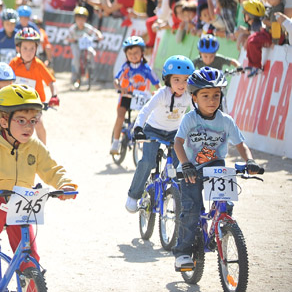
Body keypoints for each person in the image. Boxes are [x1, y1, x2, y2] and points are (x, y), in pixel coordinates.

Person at [0, 84, 77, 275]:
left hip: (19, 203)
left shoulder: (34, 146)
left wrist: (64, 184)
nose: (29, 127)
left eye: (33, 121)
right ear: (4, 120)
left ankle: (31, 283)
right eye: (22, 120)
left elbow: (51, 168)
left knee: (29, 254)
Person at [172, 67, 261, 272]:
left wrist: (250, 161)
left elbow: (241, 144)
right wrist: (185, 164)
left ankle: (219, 231)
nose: (212, 100)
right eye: (205, 95)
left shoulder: (226, 120)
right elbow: (178, 143)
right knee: (192, 210)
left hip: (215, 167)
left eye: (216, 95)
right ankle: (183, 252)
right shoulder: (190, 119)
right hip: (190, 169)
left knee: (226, 204)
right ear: (194, 98)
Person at [124, 55, 195, 213]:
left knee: (182, 163)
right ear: (167, 79)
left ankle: (178, 194)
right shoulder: (162, 94)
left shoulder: (189, 96)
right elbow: (145, 110)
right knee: (148, 162)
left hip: (175, 133)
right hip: (153, 130)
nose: (181, 84)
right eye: (176, 80)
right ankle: (133, 196)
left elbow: (196, 114)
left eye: (186, 80)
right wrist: (138, 128)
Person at [8, 28, 58, 144]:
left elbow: (51, 82)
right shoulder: (13, 64)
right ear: (18, 48)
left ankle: (44, 151)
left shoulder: (39, 65)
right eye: (25, 48)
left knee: (39, 123)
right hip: (17, 103)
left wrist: (54, 95)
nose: (28, 52)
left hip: (35, 104)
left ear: (36, 49)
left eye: (32, 48)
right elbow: (6, 81)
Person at [112, 36, 159, 155]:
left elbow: (157, 83)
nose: (133, 56)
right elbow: (116, 80)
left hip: (141, 98)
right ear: (126, 55)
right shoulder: (126, 67)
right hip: (126, 96)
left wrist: (160, 93)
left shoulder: (146, 69)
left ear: (142, 53)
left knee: (144, 119)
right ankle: (115, 143)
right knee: (120, 116)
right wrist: (120, 88)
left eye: (136, 53)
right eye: (130, 53)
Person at [66, 7, 103, 88]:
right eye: (78, 19)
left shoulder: (87, 27)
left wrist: (99, 36)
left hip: (86, 45)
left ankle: (91, 71)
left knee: (92, 53)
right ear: (75, 19)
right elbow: (67, 38)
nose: (80, 21)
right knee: (76, 58)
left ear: (85, 19)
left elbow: (96, 32)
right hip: (76, 45)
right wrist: (72, 40)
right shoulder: (73, 29)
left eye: (82, 19)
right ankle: (75, 76)